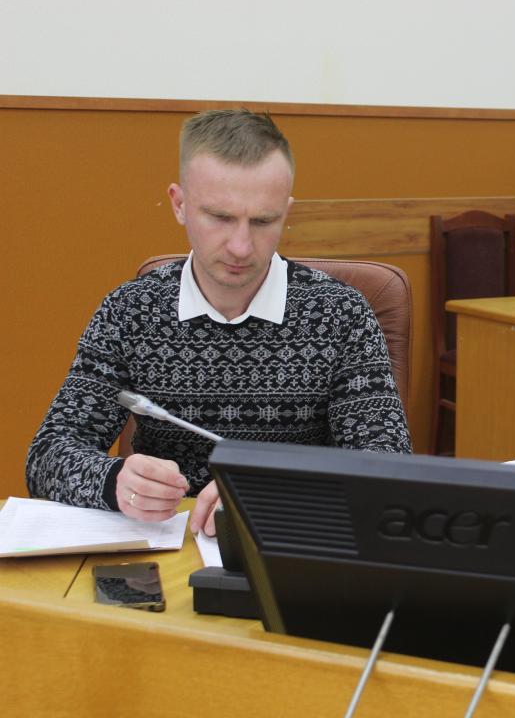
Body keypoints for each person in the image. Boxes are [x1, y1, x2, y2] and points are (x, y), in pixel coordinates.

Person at [26, 109, 412, 536]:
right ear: (179, 205)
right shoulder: (130, 311)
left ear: (286, 212)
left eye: (263, 221)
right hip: (165, 543)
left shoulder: (342, 315)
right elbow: (47, 455)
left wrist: (271, 494)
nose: (241, 247)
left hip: (288, 540)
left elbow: (388, 467)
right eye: (220, 217)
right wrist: (113, 481)